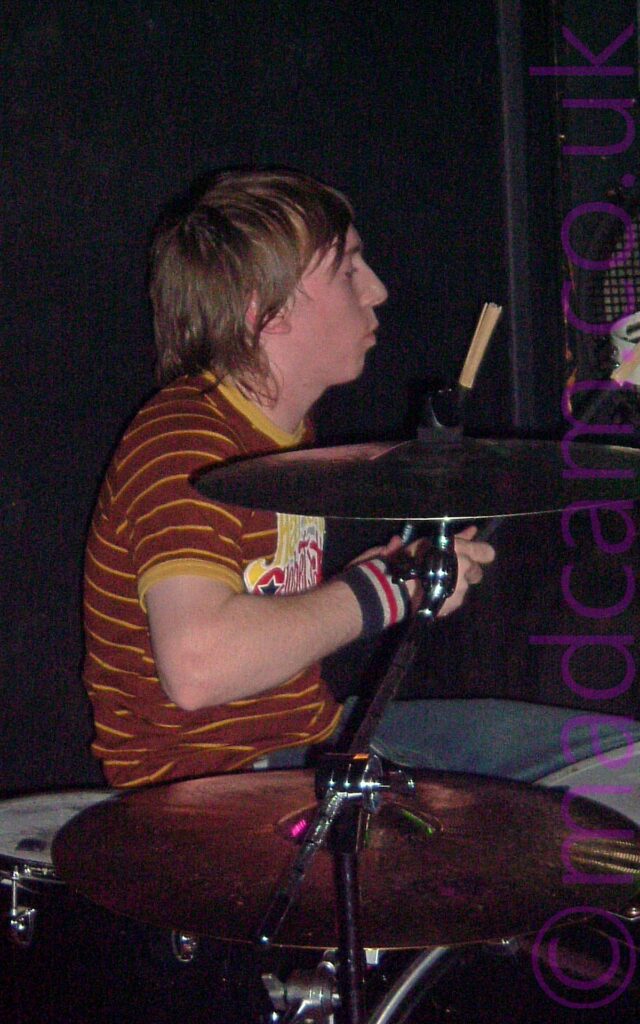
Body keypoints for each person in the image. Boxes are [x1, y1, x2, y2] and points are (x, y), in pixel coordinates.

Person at [83, 168, 638, 791]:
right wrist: (385, 588)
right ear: (266, 312)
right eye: (348, 270)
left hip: (315, 740)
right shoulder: (185, 441)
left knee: (617, 760)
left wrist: (385, 577)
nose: (377, 290)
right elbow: (197, 667)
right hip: (206, 787)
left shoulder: (280, 436)